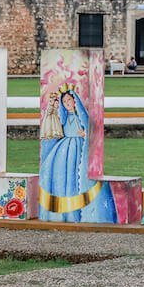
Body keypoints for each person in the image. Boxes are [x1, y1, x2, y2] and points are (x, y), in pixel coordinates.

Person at [38, 86, 114, 222]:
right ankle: (63, 211)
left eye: (69, 101)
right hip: (64, 149)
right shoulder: (64, 118)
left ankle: (78, 211)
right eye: (65, 102)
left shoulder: (80, 117)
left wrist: (84, 134)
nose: (67, 104)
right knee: (63, 176)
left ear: (74, 100)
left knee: (76, 175)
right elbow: (54, 120)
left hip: (78, 146)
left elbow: (90, 131)